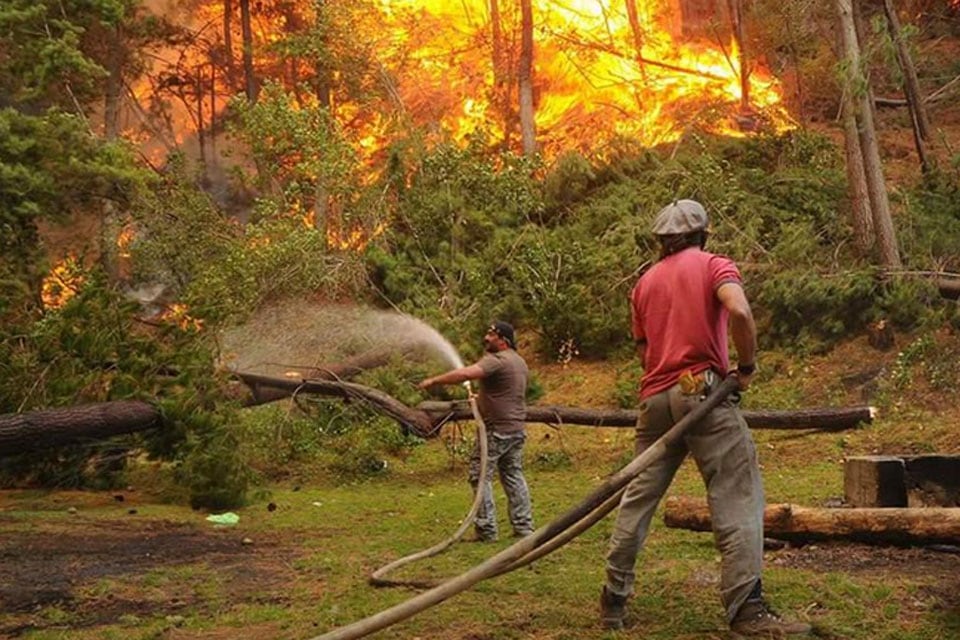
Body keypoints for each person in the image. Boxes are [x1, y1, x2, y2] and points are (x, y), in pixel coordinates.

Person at [599, 200, 811, 637]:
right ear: (703, 234)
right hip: (703, 393)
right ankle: (746, 610)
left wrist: (664, 374)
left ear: (661, 241)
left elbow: (642, 349)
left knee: (637, 498)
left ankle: (613, 598)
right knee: (736, 492)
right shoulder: (715, 265)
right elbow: (739, 311)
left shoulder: (642, 284)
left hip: (655, 398)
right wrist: (746, 367)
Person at [418, 321, 533, 541]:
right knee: (513, 474)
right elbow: (503, 393)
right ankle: (524, 527)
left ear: (503, 340)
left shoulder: (497, 360)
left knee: (479, 476)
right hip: (516, 428)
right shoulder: (518, 362)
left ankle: (486, 530)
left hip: (497, 430)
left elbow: (466, 374)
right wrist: (479, 400)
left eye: (491, 334)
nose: (486, 338)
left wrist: (435, 380)